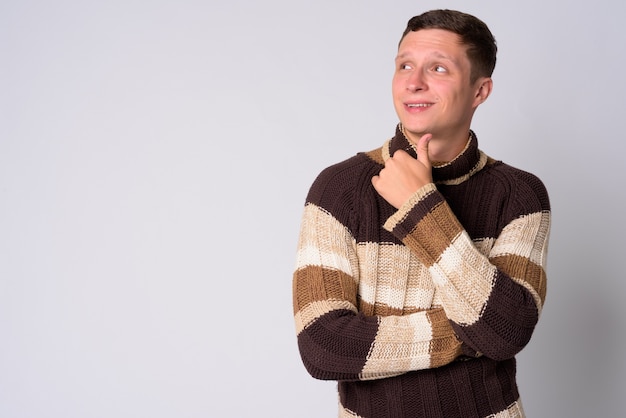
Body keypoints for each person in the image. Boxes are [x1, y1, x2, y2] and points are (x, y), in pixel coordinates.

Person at [291, 9, 551, 418]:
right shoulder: (338, 188)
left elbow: (508, 332)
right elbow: (324, 346)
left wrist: (421, 207)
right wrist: (470, 333)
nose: (414, 82)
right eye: (405, 65)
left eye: (439, 68)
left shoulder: (519, 195)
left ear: (480, 91)